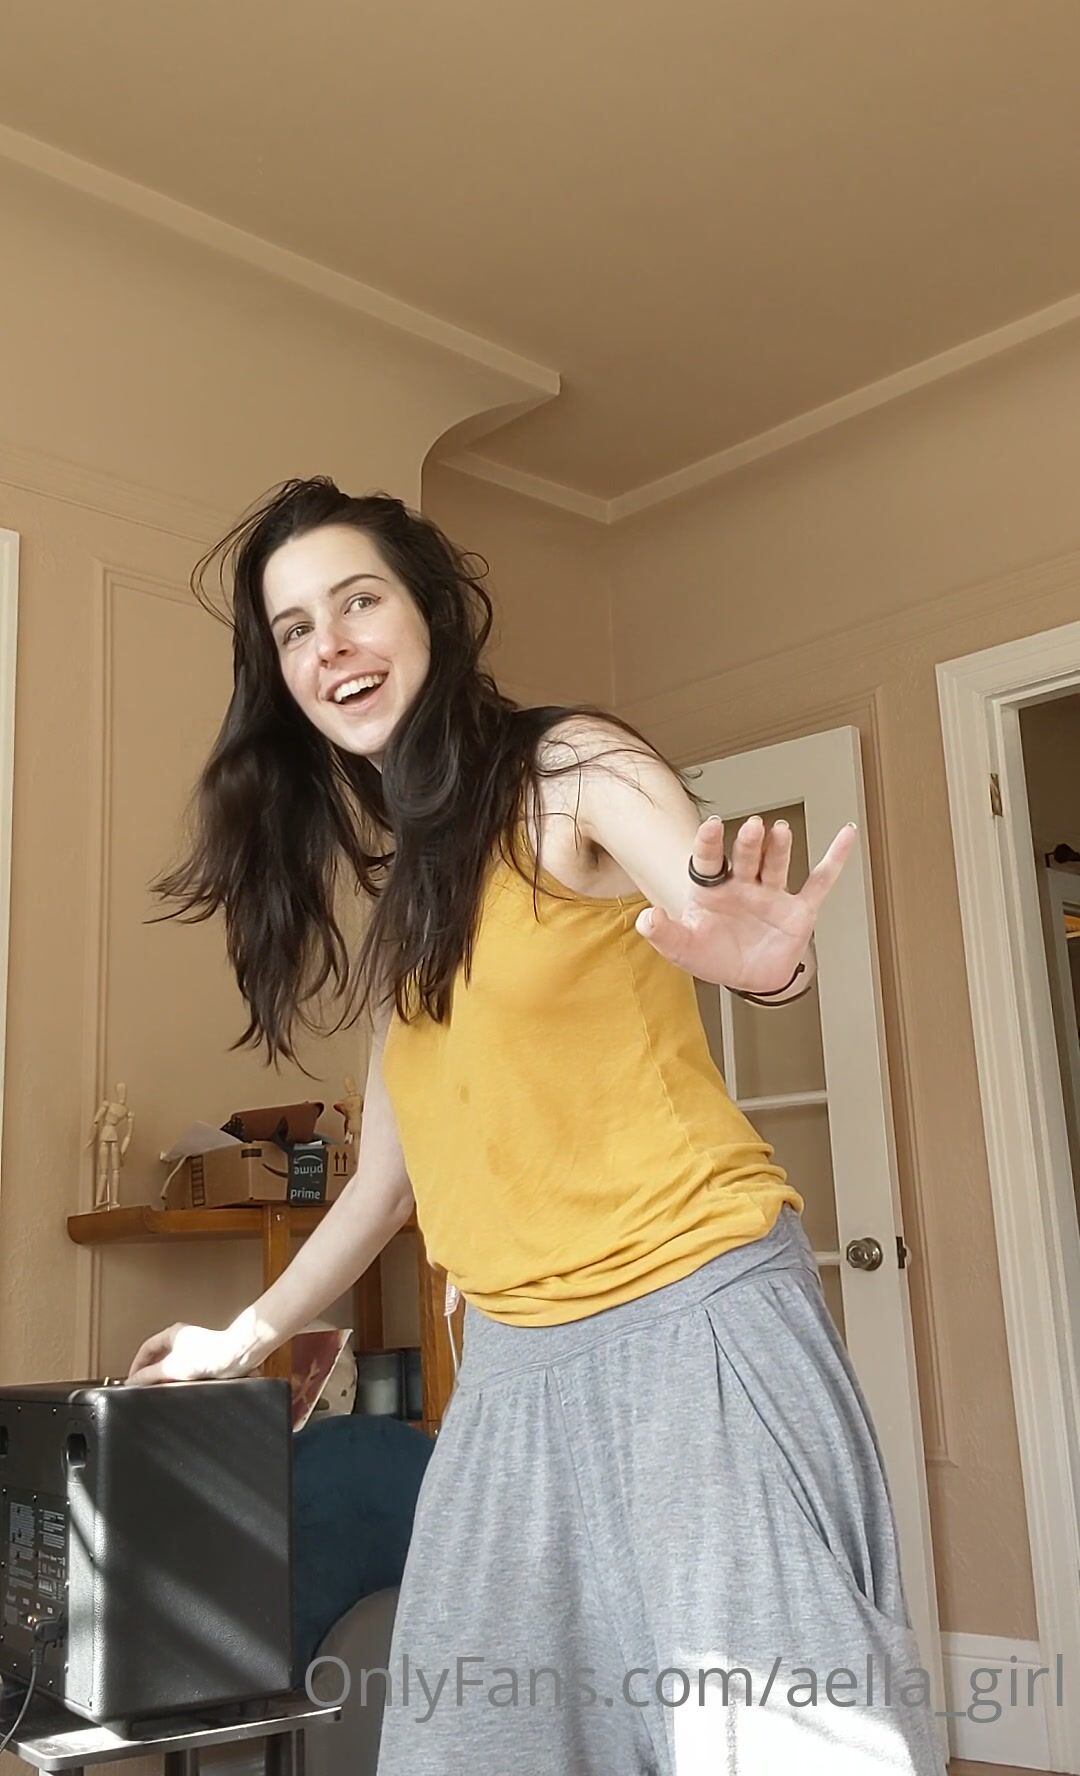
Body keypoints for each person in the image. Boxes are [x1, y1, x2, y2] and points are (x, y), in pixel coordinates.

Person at [126, 477, 942, 1774]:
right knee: (470, 1745)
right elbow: (387, 1184)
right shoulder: (413, 900)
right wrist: (245, 1335)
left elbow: (704, 895)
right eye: (294, 630)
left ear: (429, 612)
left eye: (357, 601)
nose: (331, 645)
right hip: (512, 1375)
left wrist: (762, 962)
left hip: (690, 1325)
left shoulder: (571, 770)